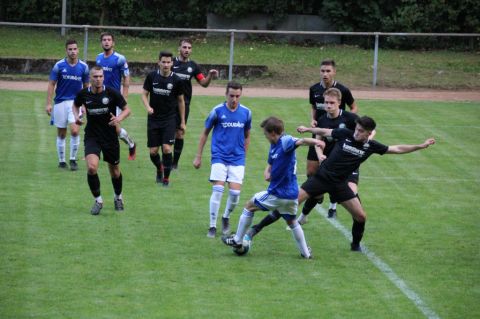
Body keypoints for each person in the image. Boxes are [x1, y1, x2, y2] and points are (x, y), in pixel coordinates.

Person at [295, 116, 435, 251]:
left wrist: (421, 146)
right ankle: (276, 219)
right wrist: (308, 129)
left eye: (361, 131)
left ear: (369, 133)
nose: (356, 132)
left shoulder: (371, 146)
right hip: (323, 178)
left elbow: (396, 149)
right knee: (290, 204)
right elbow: (324, 131)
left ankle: (355, 245)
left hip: (340, 185)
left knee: (361, 217)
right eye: (356, 129)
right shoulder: (345, 134)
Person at [247, 87, 359, 237]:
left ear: (339, 102)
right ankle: (259, 227)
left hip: (346, 166)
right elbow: (319, 139)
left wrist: (364, 144)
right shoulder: (322, 119)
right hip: (328, 166)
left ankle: (355, 239)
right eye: (326, 102)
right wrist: (319, 155)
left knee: (355, 201)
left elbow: (368, 130)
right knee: (299, 197)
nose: (328, 105)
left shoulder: (350, 118)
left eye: (332, 102)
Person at [221, 116, 322, 259]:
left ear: (273, 133)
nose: (264, 136)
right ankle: (306, 253)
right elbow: (271, 162)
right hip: (292, 195)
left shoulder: (285, 141)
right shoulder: (274, 145)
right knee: (292, 221)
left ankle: (237, 240)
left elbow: (302, 141)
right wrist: (268, 171)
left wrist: (317, 141)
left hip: (278, 193)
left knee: (249, 206)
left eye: (265, 133)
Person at [193, 81, 251, 238]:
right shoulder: (217, 111)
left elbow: (247, 135)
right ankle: (212, 226)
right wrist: (198, 156)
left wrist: (243, 154)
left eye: (237, 96)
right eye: (231, 95)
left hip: (237, 158)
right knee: (218, 190)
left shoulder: (246, 112)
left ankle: (225, 217)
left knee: (234, 194)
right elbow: (205, 133)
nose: (234, 99)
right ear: (226, 94)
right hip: (219, 156)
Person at [72, 66, 131, 215]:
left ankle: (118, 197)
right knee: (92, 168)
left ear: (103, 77)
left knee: (115, 172)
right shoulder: (84, 94)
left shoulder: (111, 93)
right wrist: (76, 116)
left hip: (110, 137)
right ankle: (98, 200)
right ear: (90, 78)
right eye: (95, 77)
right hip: (92, 136)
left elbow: (127, 109)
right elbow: (75, 104)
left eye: (100, 76)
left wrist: (119, 118)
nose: (98, 79)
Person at [307, 59, 359, 217]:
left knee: (335, 169)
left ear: (334, 72)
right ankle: (319, 194)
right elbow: (314, 107)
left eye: (328, 71)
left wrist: (349, 122)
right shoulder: (314, 89)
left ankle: (333, 205)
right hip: (319, 131)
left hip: (337, 135)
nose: (325, 74)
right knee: (311, 170)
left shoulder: (343, 89)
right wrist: (313, 119)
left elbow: (353, 106)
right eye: (322, 71)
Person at [172, 39, 219, 169]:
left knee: (180, 133)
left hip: (184, 105)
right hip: (168, 103)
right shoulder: (171, 63)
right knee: (166, 133)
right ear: (179, 48)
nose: (187, 50)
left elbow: (203, 83)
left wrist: (209, 75)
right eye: (184, 47)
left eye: (189, 48)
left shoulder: (193, 66)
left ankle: (174, 163)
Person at [141, 51, 186, 187]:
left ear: (172, 63)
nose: (166, 64)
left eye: (168, 62)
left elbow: (181, 101)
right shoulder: (152, 76)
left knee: (166, 148)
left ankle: (166, 178)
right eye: (163, 62)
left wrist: (182, 122)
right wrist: (148, 107)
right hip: (154, 119)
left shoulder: (177, 80)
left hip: (169, 119)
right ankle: (159, 168)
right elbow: (144, 94)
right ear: (159, 62)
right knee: (153, 151)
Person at [46, 39, 89, 170]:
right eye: (70, 49)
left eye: (75, 49)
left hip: (75, 103)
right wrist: (48, 103)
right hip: (60, 103)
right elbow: (51, 84)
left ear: (78, 50)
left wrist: (85, 105)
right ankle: (62, 161)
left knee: (75, 131)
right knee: (62, 133)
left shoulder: (84, 67)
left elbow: (87, 86)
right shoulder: (59, 66)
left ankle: (73, 160)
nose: (72, 51)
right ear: (66, 50)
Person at [96, 32, 137, 160]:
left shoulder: (120, 59)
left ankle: (131, 144)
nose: (106, 42)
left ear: (113, 43)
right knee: (98, 125)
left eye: (109, 40)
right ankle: (94, 152)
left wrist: (123, 98)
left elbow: (126, 78)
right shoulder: (98, 58)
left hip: (114, 98)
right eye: (104, 40)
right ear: (101, 42)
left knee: (114, 128)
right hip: (100, 98)